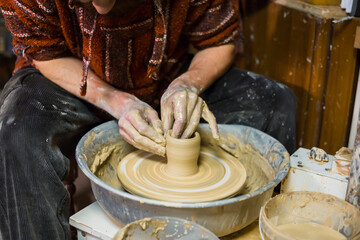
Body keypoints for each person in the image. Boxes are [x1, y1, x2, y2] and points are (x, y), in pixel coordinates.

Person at [0, 0, 296, 239]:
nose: (100, 8)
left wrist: (187, 85)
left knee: (275, 102)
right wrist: (114, 99)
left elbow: (221, 40)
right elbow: (43, 51)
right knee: (19, 133)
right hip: (70, 78)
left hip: (164, 76)